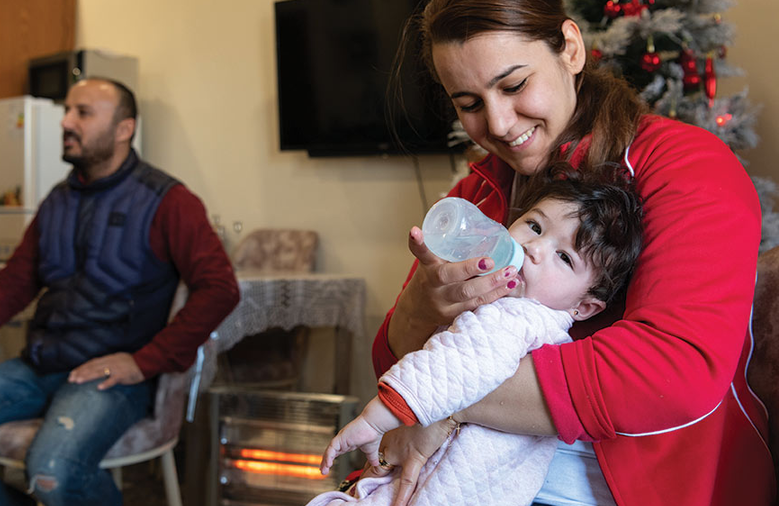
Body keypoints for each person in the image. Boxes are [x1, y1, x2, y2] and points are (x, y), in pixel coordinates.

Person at [367, 1, 774, 506]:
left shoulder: (687, 167)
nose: (497, 122)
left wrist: (447, 400)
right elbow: (392, 364)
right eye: (469, 103)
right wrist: (416, 310)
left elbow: (672, 372)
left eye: (514, 86)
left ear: (572, 49)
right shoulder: (475, 196)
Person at [0, 78, 240, 506]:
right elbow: (10, 288)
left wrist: (143, 362)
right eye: (67, 111)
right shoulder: (57, 200)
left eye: (83, 113)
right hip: (36, 365)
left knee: (53, 473)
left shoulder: (169, 201)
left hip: (111, 379)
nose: (66, 122)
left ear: (125, 129)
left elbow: (220, 289)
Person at [310, 165, 644, 506]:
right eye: (534, 225)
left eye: (563, 257)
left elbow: (456, 364)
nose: (534, 248)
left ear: (584, 308)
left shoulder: (520, 317)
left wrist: (375, 419)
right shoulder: (495, 297)